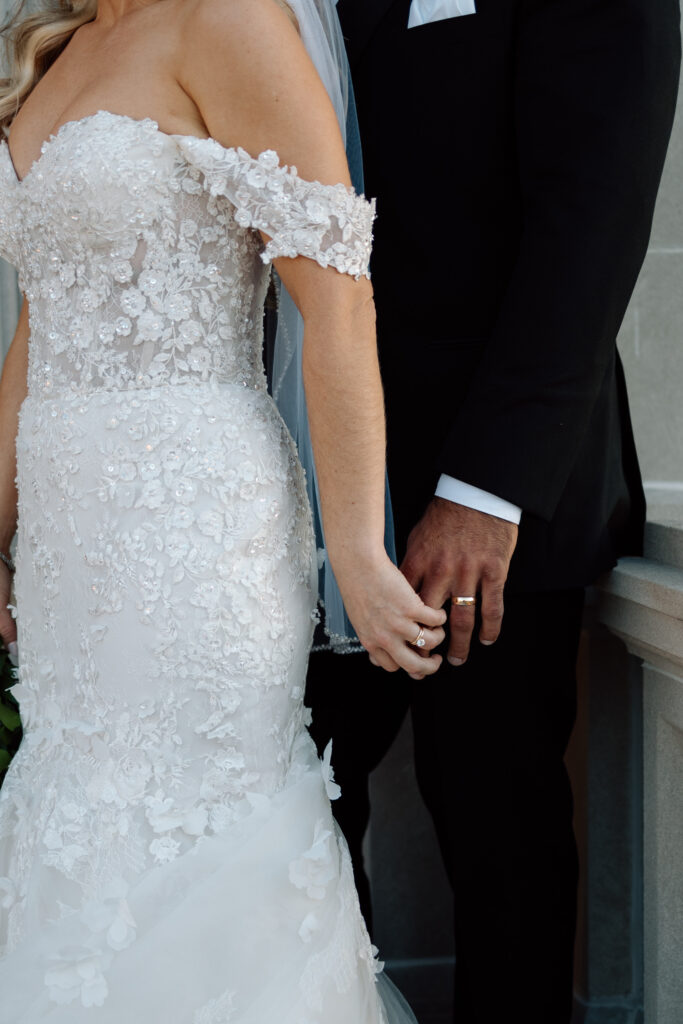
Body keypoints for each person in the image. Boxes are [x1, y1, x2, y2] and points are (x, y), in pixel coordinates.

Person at [0, 0, 448, 1019]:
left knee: (197, 823)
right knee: (74, 811)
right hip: (72, 543)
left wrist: (355, 548)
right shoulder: (62, 43)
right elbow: (43, 324)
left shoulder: (229, 21)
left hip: (190, 531)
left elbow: (336, 298)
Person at [305, 1, 682, 1022]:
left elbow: (592, 219)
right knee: (291, 803)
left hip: (484, 503)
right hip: (302, 487)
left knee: (495, 828)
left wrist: (483, 493)